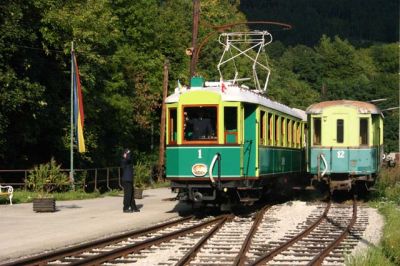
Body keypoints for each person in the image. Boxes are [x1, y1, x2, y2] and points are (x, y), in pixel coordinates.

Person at [121, 148, 140, 213]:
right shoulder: (124, 160)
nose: (129, 154)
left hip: (130, 179)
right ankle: (125, 208)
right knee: (128, 195)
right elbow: (127, 158)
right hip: (126, 180)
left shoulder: (129, 160)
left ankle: (133, 207)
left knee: (131, 194)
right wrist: (127, 153)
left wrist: (128, 153)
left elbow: (130, 158)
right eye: (127, 153)